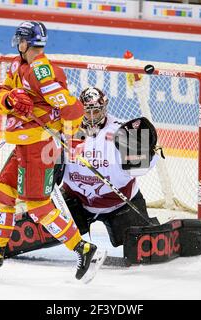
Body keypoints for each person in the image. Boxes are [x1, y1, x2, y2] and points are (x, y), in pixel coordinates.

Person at [0, 21, 106, 281]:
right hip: (22, 145)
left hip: (39, 146)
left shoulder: (41, 72)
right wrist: (10, 99)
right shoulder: (17, 66)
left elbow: (73, 109)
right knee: (3, 192)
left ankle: (84, 249)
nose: (18, 44)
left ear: (27, 42)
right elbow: (0, 95)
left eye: (20, 40)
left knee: (38, 205)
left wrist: (71, 136)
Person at [61, 87, 160, 247]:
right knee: (41, 229)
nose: (92, 117)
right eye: (88, 112)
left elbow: (143, 166)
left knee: (144, 249)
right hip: (75, 200)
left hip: (120, 203)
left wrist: (148, 154)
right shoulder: (65, 129)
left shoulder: (121, 130)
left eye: (97, 111)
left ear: (104, 108)